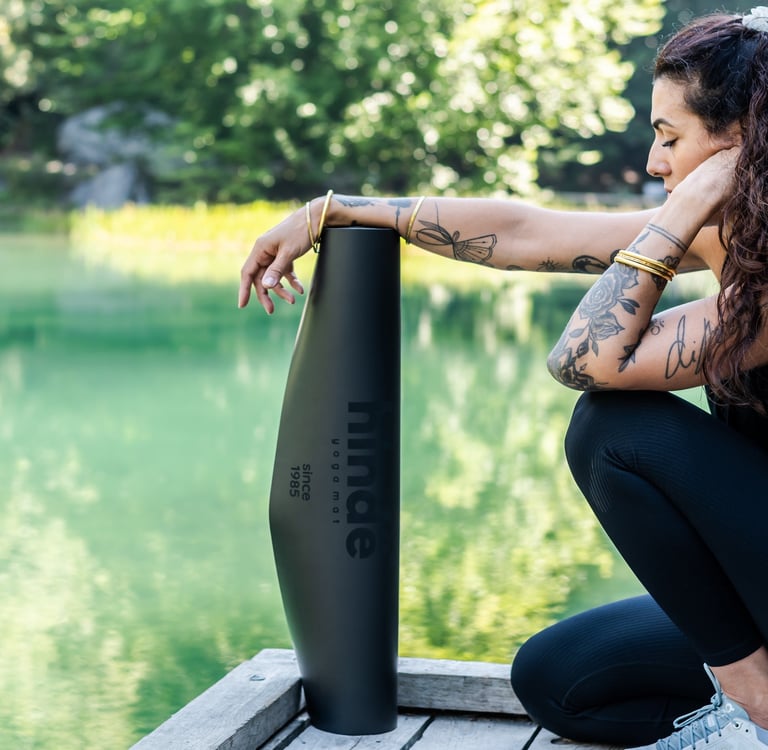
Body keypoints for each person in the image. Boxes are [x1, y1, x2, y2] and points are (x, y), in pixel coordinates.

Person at [239, 9, 768, 750]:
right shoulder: (735, 232)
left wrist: (678, 213)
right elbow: (530, 234)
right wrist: (343, 210)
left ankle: (753, 703)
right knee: (561, 680)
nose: (655, 164)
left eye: (670, 138)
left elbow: (586, 362)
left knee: (615, 430)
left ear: (739, 144)